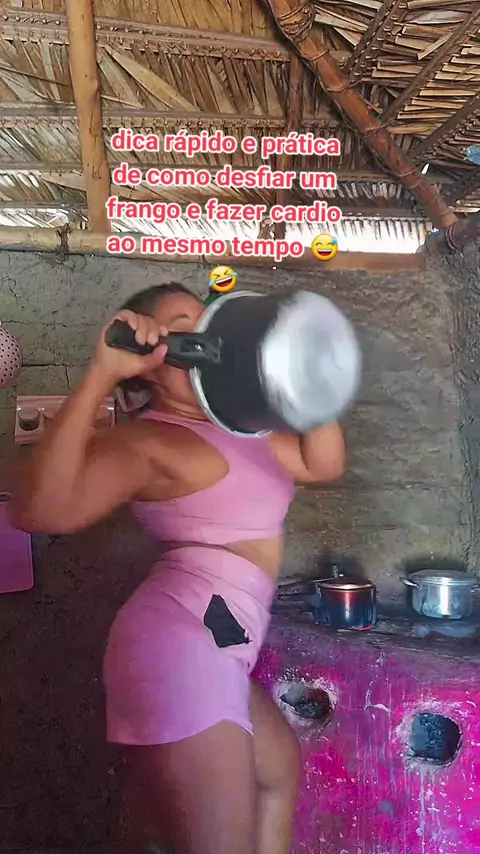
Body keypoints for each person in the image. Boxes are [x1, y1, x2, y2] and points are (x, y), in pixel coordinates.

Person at [9, 283, 346, 854]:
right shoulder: (150, 441)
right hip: (182, 642)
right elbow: (39, 511)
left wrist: (300, 373)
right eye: (182, 330)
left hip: (220, 640)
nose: (203, 338)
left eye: (206, 322)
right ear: (151, 364)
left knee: (276, 772)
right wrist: (102, 375)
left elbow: (324, 462)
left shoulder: (246, 426)